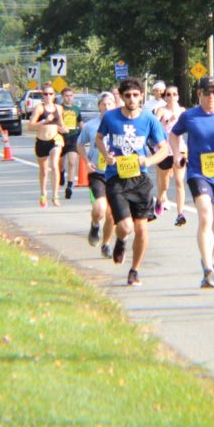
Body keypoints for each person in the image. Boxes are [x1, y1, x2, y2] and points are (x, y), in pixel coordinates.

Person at [169, 76, 214, 289]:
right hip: (198, 173)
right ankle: (208, 270)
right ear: (199, 93)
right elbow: (174, 135)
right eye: (206, 92)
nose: (211, 96)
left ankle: (211, 259)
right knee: (205, 216)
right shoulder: (190, 116)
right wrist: (176, 154)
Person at [95, 77, 169, 286]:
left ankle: (134, 270)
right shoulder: (110, 117)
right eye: (127, 95)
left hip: (140, 179)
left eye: (136, 95)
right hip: (116, 178)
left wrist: (149, 160)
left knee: (142, 228)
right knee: (126, 226)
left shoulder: (149, 119)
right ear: (121, 97)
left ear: (141, 96)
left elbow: (164, 149)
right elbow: (99, 138)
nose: (132, 99)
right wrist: (106, 155)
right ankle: (121, 240)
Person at [77, 92, 117, 258]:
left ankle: (106, 244)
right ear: (99, 106)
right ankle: (95, 225)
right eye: (103, 104)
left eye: (110, 104)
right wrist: (86, 161)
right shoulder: (91, 125)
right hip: (98, 172)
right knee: (100, 209)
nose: (106, 107)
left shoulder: (121, 124)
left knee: (112, 213)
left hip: (116, 173)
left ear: (115, 105)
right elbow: (80, 144)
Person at [28, 82, 68, 207]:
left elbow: (61, 124)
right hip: (41, 141)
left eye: (51, 94)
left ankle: (55, 196)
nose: (48, 96)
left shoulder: (59, 108)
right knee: (44, 171)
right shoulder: (39, 108)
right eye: (46, 94)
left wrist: (64, 129)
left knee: (55, 165)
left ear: (54, 95)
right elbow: (30, 126)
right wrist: (44, 121)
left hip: (55, 139)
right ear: (42, 95)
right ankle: (43, 193)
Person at [153, 84, 188, 225]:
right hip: (164, 150)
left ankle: (180, 214)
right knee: (164, 185)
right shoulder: (161, 110)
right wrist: (168, 121)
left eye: (174, 94)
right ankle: (160, 198)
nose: (172, 96)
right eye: (168, 94)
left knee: (179, 182)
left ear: (178, 96)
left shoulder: (183, 111)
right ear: (165, 97)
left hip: (179, 150)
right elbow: (154, 127)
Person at [59, 87, 83, 199]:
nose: (69, 98)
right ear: (63, 97)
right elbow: (54, 121)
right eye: (66, 96)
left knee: (72, 162)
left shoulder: (76, 109)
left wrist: (85, 133)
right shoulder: (59, 108)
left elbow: (80, 122)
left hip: (73, 137)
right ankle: (61, 172)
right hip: (60, 138)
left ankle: (69, 187)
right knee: (60, 162)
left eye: (71, 96)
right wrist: (59, 128)